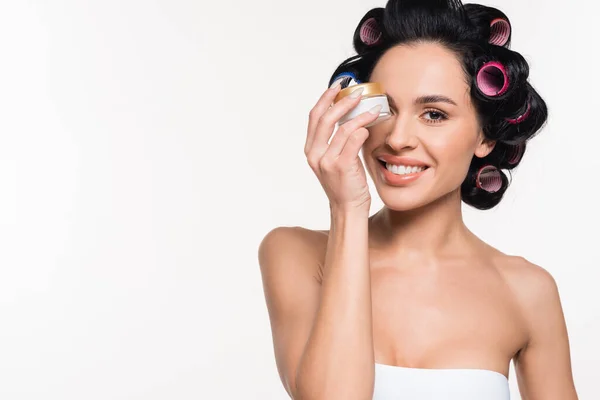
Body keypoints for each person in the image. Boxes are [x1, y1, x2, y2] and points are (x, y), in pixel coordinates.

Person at [258, 0, 578, 398]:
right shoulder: (295, 253)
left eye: (434, 114)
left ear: (485, 137)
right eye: (384, 109)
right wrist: (348, 211)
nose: (396, 138)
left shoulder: (527, 290)